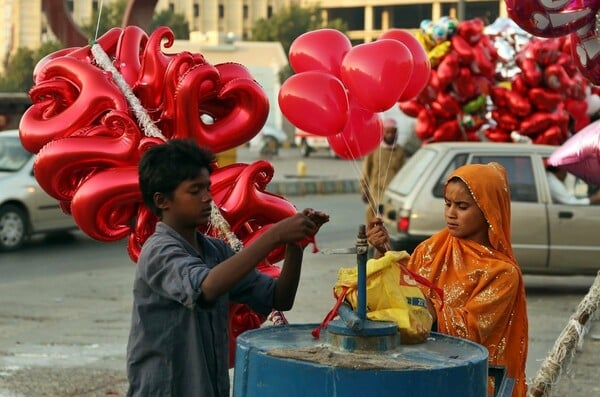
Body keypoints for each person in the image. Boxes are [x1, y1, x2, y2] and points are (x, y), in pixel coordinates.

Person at [126, 139, 329, 397]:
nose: (207, 197)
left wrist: (294, 247)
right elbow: (206, 288)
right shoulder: (159, 251)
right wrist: (275, 235)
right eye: (195, 190)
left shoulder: (215, 251)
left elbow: (279, 298)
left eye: (207, 188)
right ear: (162, 200)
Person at [366, 162, 528, 397]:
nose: (451, 213)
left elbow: (472, 333)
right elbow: (400, 290)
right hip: (417, 370)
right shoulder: (430, 248)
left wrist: (425, 308)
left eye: (462, 206)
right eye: (448, 204)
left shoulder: (502, 273)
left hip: (468, 380)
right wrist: (382, 253)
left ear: (488, 210)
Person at [360, 117, 405, 227]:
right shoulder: (374, 149)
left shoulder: (399, 151)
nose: (390, 135)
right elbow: (366, 170)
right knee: (372, 223)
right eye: (387, 132)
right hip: (375, 193)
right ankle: (372, 243)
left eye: (393, 132)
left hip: (392, 195)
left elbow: (404, 174)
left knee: (389, 225)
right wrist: (363, 189)